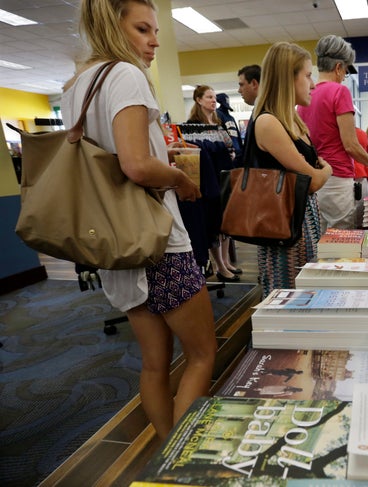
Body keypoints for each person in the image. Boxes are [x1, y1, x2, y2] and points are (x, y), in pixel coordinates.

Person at [62, 0, 216, 440]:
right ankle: (180, 459)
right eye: (143, 29)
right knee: (203, 354)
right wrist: (179, 180)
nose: (154, 42)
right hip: (156, 239)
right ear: (113, 25)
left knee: (153, 362)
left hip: (113, 241)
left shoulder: (77, 85)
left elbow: (111, 157)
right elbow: (134, 165)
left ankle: (166, 455)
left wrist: (154, 155)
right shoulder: (126, 75)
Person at [250, 41, 333, 297]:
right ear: (288, 78)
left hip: (303, 220)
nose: (313, 84)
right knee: (288, 296)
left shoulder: (292, 120)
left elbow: (310, 173)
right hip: (284, 228)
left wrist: (319, 170)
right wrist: (326, 170)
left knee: (307, 292)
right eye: (308, 75)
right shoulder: (267, 122)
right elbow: (313, 179)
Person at [297, 34, 368, 233]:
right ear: (338, 67)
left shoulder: (306, 96)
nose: (345, 76)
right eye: (346, 71)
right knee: (341, 240)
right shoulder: (339, 92)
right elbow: (351, 145)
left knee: (318, 239)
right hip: (337, 178)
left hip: (314, 179)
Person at [187, 85, 241, 282]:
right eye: (209, 97)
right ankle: (219, 264)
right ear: (199, 100)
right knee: (213, 224)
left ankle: (226, 261)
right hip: (209, 182)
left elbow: (230, 147)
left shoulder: (219, 123)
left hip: (224, 179)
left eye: (213, 97)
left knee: (226, 224)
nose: (213, 100)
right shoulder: (191, 127)